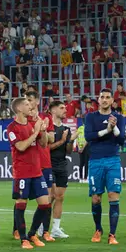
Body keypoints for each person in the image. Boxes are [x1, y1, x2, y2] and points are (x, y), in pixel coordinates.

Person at [6, 98, 52, 249]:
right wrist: (37, 131)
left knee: (45, 204)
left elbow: (44, 144)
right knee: (21, 205)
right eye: (26, 104)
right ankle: (23, 239)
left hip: (37, 171)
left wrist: (43, 131)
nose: (30, 106)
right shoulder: (12, 128)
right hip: (22, 173)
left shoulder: (33, 124)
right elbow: (20, 146)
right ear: (19, 108)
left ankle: (32, 234)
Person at [84, 89, 125, 245]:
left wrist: (114, 128)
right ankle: (98, 229)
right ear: (98, 100)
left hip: (113, 160)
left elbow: (121, 140)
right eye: (102, 97)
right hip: (95, 161)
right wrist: (106, 130)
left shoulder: (118, 118)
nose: (105, 100)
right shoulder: (91, 117)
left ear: (112, 101)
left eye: (108, 97)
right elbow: (88, 136)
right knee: (96, 198)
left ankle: (112, 234)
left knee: (113, 196)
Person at [24, 91, 55, 242]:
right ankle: (18, 230)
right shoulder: (23, 119)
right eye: (25, 100)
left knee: (47, 199)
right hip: (29, 164)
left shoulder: (46, 117)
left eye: (29, 100)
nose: (27, 103)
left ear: (37, 101)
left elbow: (51, 138)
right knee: (21, 199)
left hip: (45, 162)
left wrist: (43, 130)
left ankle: (45, 231)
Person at [49, 101, 78, 238]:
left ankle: (55, 228)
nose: (65, 110)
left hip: (61, 165)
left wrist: (70, 140)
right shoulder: (48, 127)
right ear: (53, 111)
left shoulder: (66, 128)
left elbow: (68, 152)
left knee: (60, 197)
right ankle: (42, 227)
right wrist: (61, 141)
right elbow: (45, 148)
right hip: (49, 165)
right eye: (61, 108)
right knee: (50, 197)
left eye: (65, 108)